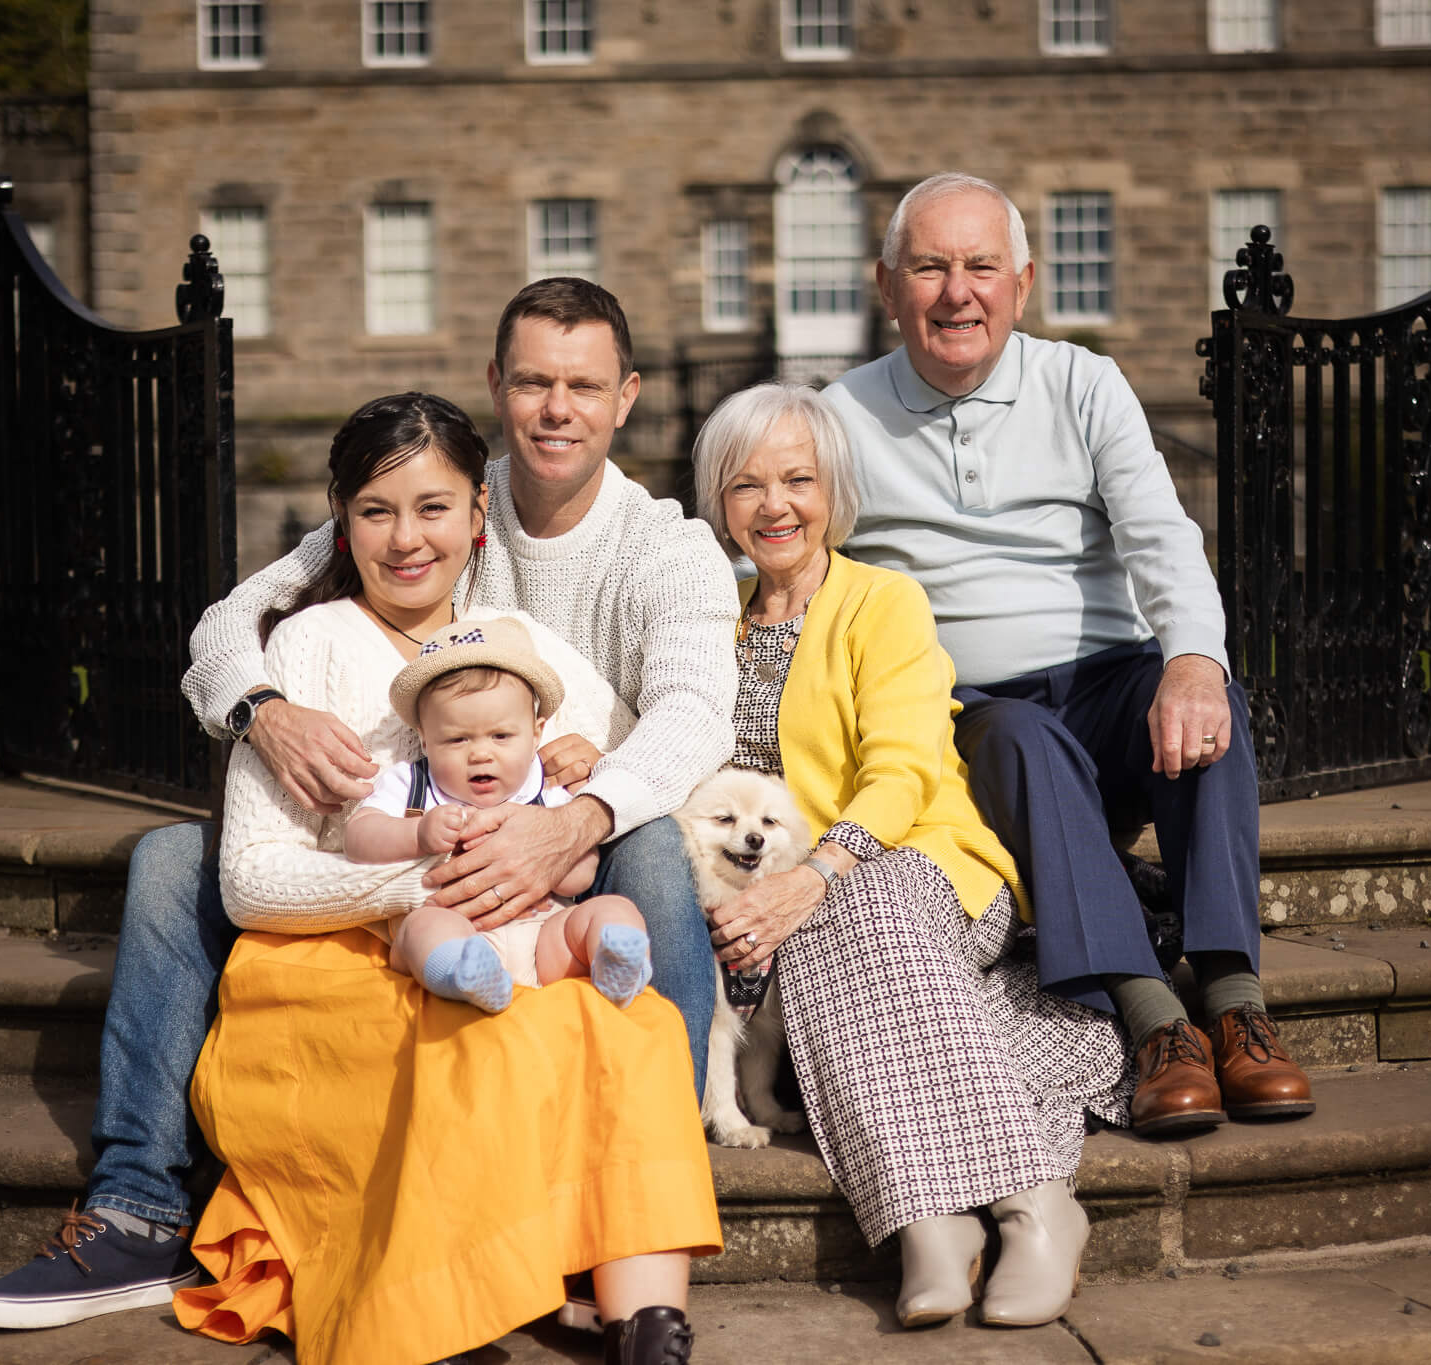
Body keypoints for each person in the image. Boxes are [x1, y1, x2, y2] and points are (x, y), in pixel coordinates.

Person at [0, 278, 737, 1331]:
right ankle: (138, 1203)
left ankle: (639, 1203)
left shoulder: (663, 547)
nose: (557, 409)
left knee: (644, 865)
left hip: (579, 812)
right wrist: (264, 711)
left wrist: (574, 812)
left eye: (584, 386)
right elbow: (233, 625)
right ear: (496, 386)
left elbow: (689, 722)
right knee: (169, 863)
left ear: (627, 396)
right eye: (534, 382)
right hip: (401, 834)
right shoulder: (427, 487)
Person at [172, 391, 717, 1365]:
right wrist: (422, 880)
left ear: (478, 519)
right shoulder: (306, 645)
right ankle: (443, 1302)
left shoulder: (513, 641)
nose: (405, 538)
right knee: (473, 1036)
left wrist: (587, 759)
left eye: (432, 508)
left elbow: (634, 746)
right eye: (376, 512)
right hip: (332, 953)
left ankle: (645, 1310)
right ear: (341, 527)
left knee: (624, 1023)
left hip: (501, 932)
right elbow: (252, 884)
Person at [823, 173, 1314, 1139]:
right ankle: (1153, 1022)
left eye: (980, 266)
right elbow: (780, 542)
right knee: (1017, 737)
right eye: (929, 267)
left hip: (1105, 679)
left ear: (1023, 282)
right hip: (972, 714)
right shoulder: (838, 418)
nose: (957, 291)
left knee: (1209, 701)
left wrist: (1193, 664)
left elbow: (1163, 537)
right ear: (888, 286)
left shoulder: (1082, 382)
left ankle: (1234, 998)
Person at [691, 382, 1132, 1330]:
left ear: (834, 491)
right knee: (811, 939)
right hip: (771, 885)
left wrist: (817, 872)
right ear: (718, 502)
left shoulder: (881, 601)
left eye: (798, 479)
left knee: (849, 913)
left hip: (923, 861)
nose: (775, 506)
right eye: (747, 485)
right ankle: (934, 1220)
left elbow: (900, 772)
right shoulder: (707, 621)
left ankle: (1033, 1204)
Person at [346, 616, 651, 1012]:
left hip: (544, 937)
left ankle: (617, 959)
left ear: (536, 732)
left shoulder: (547, 787)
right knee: (423, 929)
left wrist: (549, 862)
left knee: (611, 910)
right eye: (457, 739)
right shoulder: (413, 783)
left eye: (501, 736)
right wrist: (417, 834)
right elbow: (358, 837)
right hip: (458, 925)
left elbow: (583, 870)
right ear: (424, 738)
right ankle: (463, 974)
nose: (481, 753)